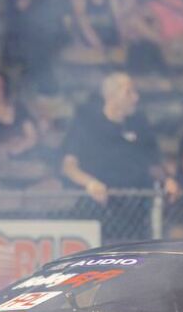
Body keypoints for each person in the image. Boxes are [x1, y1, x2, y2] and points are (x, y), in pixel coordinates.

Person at [60, 73, 172, 235]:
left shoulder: (140, 123)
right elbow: (69, 167)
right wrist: (90, 183)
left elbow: (153, 164)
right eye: (129, 92)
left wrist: (167, 180)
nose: (136, 98)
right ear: (110, 95)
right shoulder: (86, 123)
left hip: (136, 211)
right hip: (97, 209)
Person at [4, 0, 70, 92]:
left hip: (51, 40)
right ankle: (45, 89)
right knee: (36, 50)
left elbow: (64, 13)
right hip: (22, 39)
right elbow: (19, 7)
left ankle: (49, 89)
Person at [0, 70, 41, 164]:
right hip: (3, 163)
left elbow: (32, 137)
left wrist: (16, 147)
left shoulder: (19, 109)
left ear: (5, 88)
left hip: (29, 160)